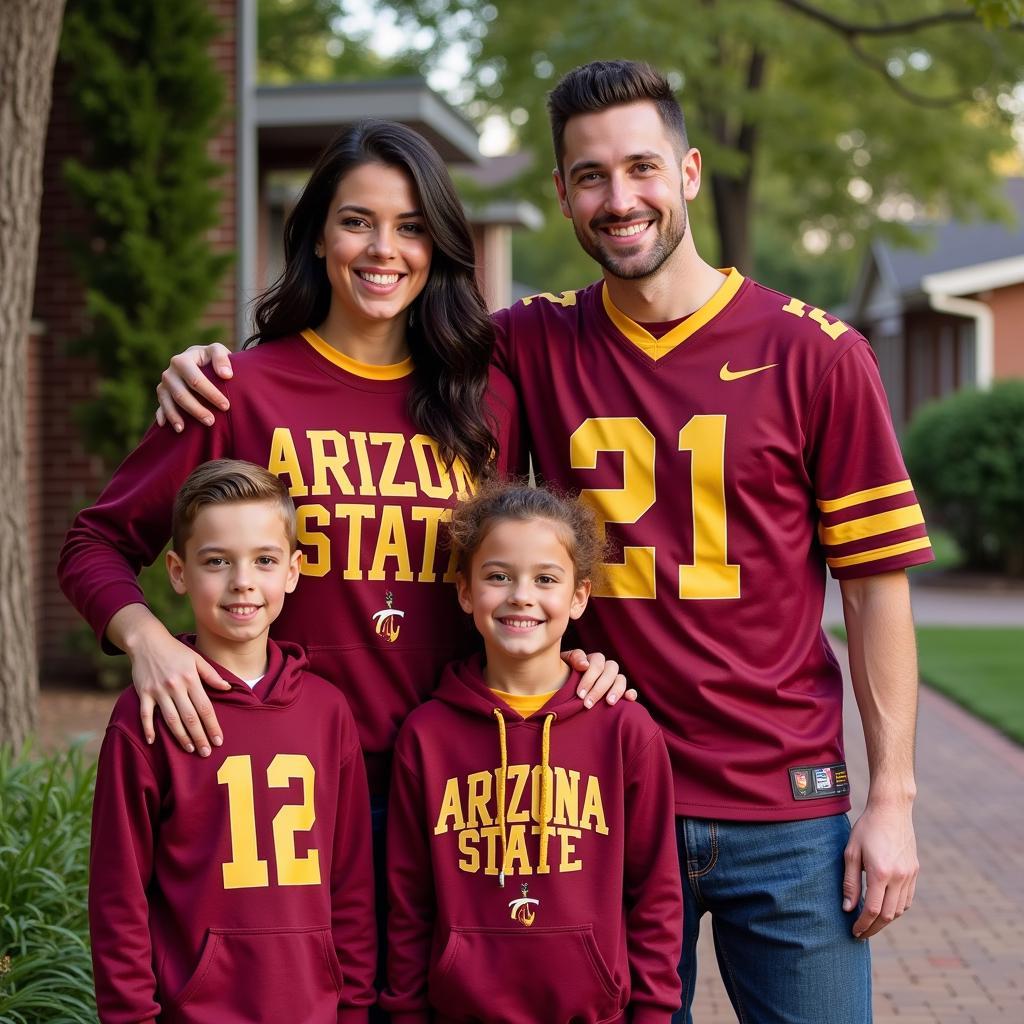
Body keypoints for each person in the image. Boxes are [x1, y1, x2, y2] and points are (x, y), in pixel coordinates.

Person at [148, 60, 932, 1023]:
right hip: (591, 791)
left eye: (641, 168)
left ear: (687, 172)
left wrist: (891, 799)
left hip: (783, 797)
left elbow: (875, 584)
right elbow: (370, 351)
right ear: (561, 194)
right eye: (591, 177)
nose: (620, 198)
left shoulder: (817, 353)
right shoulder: (524, 346)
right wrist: (206, 361)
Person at [60, 118, 625, 1021]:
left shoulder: (484, 399)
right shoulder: (239, 390)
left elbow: (531, 557)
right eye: (358, 221)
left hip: (460, 782)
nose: (383, 250)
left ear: (437, 245)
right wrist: (147, 643)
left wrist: (577, 660)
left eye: (408, 227)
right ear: (317, 234)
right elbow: (94, 543)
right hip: (293, 780)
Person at [380, 481, 681, 1023]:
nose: (521, 595)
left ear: (579, 596)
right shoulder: (426, 736)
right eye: (498, 576)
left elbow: (656, 897)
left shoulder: (625, 731)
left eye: (546, 579)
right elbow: (410, 905)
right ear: (466, 592)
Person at [89, 459, 376, 1023]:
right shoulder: (147, 714)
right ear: (177, 571)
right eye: (217, 562)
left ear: (293, 571)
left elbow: (352, 890)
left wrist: (353, 1008)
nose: (243, 581)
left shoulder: (327, 712)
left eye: (264, 561)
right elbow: (119, 897)